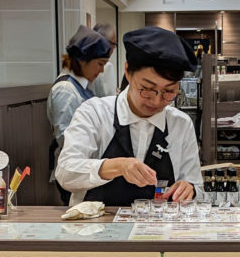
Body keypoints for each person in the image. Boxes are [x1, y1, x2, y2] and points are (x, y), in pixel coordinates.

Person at [55, 26, 202, 206]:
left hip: (159, 229)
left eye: (169, 91)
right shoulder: (94, 112)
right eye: (147, 89)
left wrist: (189, 188)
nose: (156, 101)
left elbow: (197, 186)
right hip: (94, 229)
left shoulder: (180, 123)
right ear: (128, 72)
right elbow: (65, 173)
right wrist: (118, 166)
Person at [47, 25, 113, 203]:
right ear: (83, 60)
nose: (101, 71)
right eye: (99, 64)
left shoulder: (82, 87)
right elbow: (66, 137)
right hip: (74, 170)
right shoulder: (66, 90)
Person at [91, 23, 118, 97]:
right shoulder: (106, 67)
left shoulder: (88, 62)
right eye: (114, 44)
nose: (114, 48)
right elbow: (109, 97)